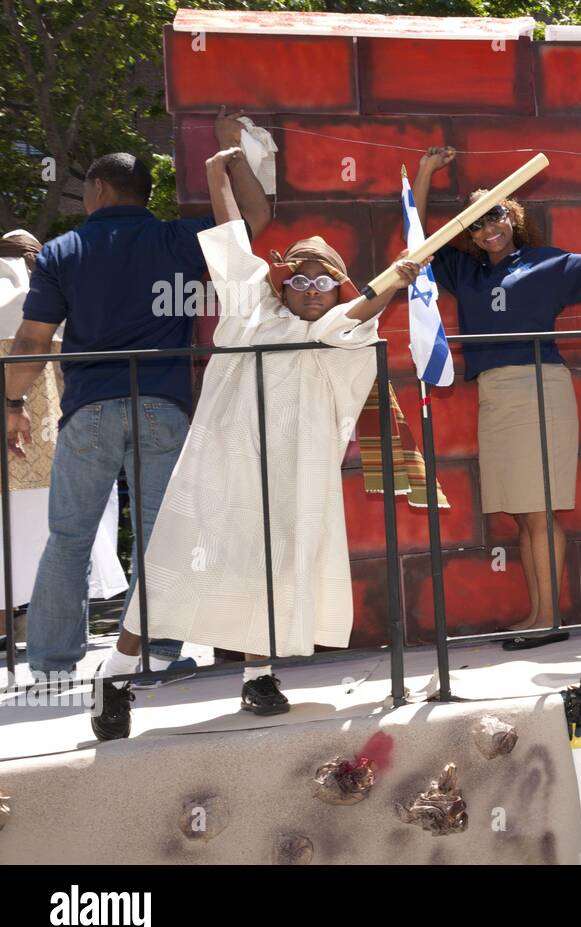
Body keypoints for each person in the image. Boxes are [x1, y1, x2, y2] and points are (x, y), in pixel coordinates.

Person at [91, 145, 427, 741]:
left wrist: (395, 280)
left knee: (275, 576)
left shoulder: (341, 332)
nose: (312, 289)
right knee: (172, 567)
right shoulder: (250, 310)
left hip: (293, 475)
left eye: (326, 280)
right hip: (222, 469)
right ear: (283, 282)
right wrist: (216, 172)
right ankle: (114, 677)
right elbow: (229, 243)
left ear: (340, 286)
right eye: (299, 278)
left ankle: (259, 679)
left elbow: (353, 314)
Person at [6, 109, 271, 683]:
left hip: (89, 409)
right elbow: (255, 219)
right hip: (163, 403)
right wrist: (231, 159)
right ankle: (154, 652)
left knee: (69, 537)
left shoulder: (60, 251)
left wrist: (11, 403)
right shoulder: (179, 237)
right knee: (161, 535)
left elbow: (32, 339)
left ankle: (52, 666)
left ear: (97, 189)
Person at [412, 147, 581, 647]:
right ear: (467, 234)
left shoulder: (547, 262)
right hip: (494, 395)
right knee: (521, 513)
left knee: (540, 510)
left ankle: (548, 619)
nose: (488, 229)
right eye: (477, 224)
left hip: (539, 387)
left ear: (512, 216)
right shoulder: (464, 272)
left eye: (495, 216)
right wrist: (425, 172)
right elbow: (416, 241)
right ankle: (537, 614)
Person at [0, 231, 125, 651]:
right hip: (59, 441)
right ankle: (65, 630)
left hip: (9, 449)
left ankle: (9, 627)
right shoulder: (58, 300)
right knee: (68, 535)